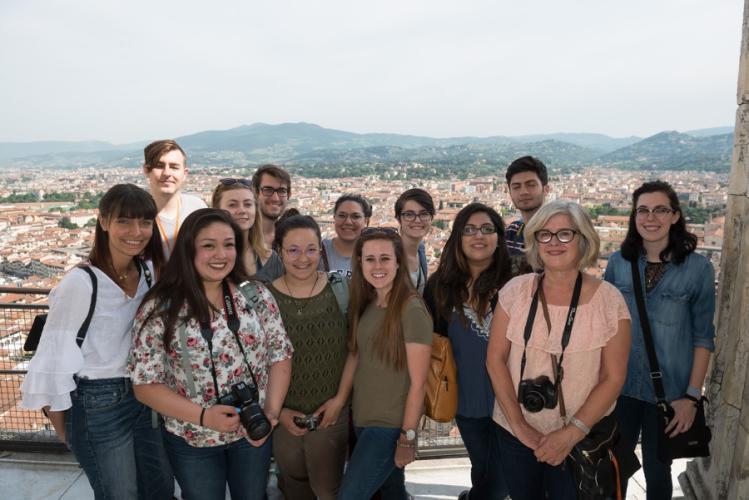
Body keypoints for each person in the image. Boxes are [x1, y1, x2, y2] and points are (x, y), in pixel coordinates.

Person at [21, 184, 173, 500]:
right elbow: (51, 362)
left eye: (145, 222)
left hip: (144, 395)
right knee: (120, 493)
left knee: (158, 488)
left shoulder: (148, 273)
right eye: (124, 221)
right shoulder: (80, 283)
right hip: (97, 403)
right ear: (102, 221)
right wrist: (68, 431)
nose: (136, 231)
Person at [128, 208, 293, 500]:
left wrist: (270, 414)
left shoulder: (255, 295)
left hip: (252, 430)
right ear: (188, 250)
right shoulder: (160, 309)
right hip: (192, 436)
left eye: (228, 244)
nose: (221, 254)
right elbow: (145, 385)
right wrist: (204, 417)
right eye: (208, 245)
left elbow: (281, 354)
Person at [486, 200, 631, 500]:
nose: (554, 242)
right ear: (535, 241)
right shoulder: (515, 292)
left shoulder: (609, 302)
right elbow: (495, 360)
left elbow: (613, 378)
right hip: (515, 433)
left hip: (581, 435)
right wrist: (519, 425)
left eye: (565, 234)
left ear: (583, 240)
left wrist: (571, 433)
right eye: (545, 234)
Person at [604, 180, 715, 500]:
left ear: (676, 216)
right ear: (634, 216)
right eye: (643, 210)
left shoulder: (698, 269)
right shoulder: (617, 264)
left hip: (669, 392)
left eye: (660, 210)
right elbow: (605, 326)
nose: (650, 218)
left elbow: (703, 337)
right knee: (614, 466)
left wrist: (692, 397)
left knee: (657, 469)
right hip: (620, 386)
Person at [423, 203, 512, 500]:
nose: (479, 236)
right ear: (458, 237)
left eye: (487, 229)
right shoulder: (440, 286)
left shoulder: (517, 282)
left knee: (501, 479)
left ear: (499, 237)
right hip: (466, 399)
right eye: (470, 229)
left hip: (511, 400)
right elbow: (433, 346)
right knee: (483, 468)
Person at [338, 229, 432, 500]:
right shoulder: (369, 303)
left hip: (389, 426)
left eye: (384, 259)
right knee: (391, 492)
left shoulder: (410, 309)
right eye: (370, 259)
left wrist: (407, 437)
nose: (377, 266)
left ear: (398, 262)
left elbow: (419, 382)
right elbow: (356, 356)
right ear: (360, 263)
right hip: (364, 420)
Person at [267, 215, 352, 500]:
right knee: (293, 486)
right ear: (279, 252)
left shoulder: (341, 290)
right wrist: (277, 412)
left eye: (311, 249)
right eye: (293, 250)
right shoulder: (262, 299)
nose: (303, 258)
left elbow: (355, 350)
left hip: (332, 412)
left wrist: (340, 400)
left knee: (328, 490)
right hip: (282, 414)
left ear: (321, 250)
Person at [142, 139, 207, 257]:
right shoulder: (137, 212)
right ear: (146, 170)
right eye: (159, 166)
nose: (167, 173)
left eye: (174, 167)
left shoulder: (198, 208)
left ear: (185, 174)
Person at [211, 178, 284, 282]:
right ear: (217, 211)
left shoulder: (271, 260)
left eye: (248, 204)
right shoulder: (208, 259)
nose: (242, 210)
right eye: (232, 205)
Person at [504, 156, 550, 274]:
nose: (524, 192)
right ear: (510, 193)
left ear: (546, 189)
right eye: (516, 187)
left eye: (531, 185)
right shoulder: (512, 232)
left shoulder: (559, 233)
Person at [319, 193, 372, 277]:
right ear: (334, 218)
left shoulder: (374, 255)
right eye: (342, 215)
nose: (348, 222)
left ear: (366, 221)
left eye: (355, 216)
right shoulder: (318, 251)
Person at [394, 188, 435, 294]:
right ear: (399, 219)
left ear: (431, 218)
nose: (417, 220)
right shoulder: (390, 255)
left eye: (424, 214)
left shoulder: (420, 250)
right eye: (409, 214)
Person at [252, 164, 292, 247]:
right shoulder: (240, 239)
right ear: (255, 193)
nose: (275, 198)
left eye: (281, 191)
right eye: (268, 190)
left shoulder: (290, 239)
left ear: (288, 195)